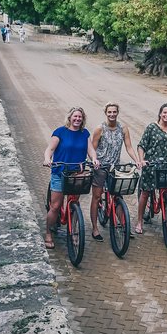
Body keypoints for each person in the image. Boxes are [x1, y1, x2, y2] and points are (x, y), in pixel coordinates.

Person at [42, 107, 99, 249]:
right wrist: (47, 159)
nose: (77, 119)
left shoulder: (84, 133)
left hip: (77, 174)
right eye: (75, 116)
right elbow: (50, 149)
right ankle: (48, 232)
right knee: (55, 206)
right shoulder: (60, 132)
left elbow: (90, 150)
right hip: (60, 172)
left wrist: (94, 159)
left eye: (80, 117)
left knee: (75, 204)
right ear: (70, 118)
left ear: (83, 119)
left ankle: (73, 232)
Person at [89, 102, 140, 241]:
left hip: (115, 167)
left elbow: (129, 147)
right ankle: (95, 228)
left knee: (118, 195)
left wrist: (136, 160)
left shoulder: (123, 128)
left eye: (114, 112)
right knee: (97, 196)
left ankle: (125, 225)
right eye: (109, 112)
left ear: (118, 112)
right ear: (105, 113)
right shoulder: (100, 129)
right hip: (100, 167)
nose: (112, 114)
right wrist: (95, 161)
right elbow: (92, 149)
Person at [135, 103, 167, 234]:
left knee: (165, 193)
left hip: (165, 166)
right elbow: (141, 146)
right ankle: (140, 221)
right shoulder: (151, 128)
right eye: (164, 113)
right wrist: (142, 160)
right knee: (145, 193)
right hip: (150, 165)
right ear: (160, 113)